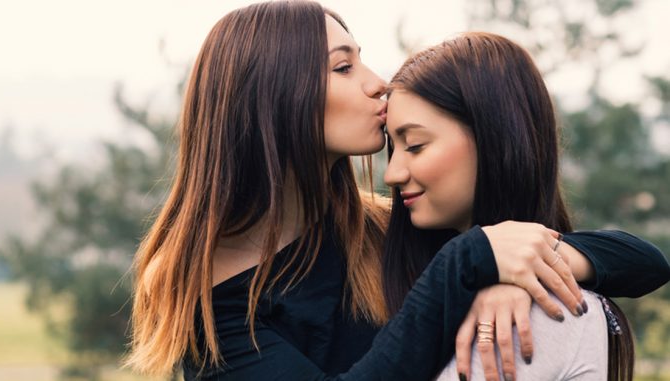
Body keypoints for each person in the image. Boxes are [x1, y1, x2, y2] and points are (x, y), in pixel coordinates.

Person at [124, 2, 670, 380]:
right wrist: (470, 259)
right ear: (273, 97)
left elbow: (643, 262)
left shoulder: (382, 227)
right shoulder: (196, 291)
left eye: (361, 57)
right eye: (343, 66)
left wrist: (520, 276)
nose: (376, 81)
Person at [383, 31, 669, 381]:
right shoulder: (378, 250)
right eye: (391, 148)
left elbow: (650, 262)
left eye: (414, 145)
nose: (392, 174)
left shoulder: (532, 320)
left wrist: (524, 268)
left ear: (492, 139)